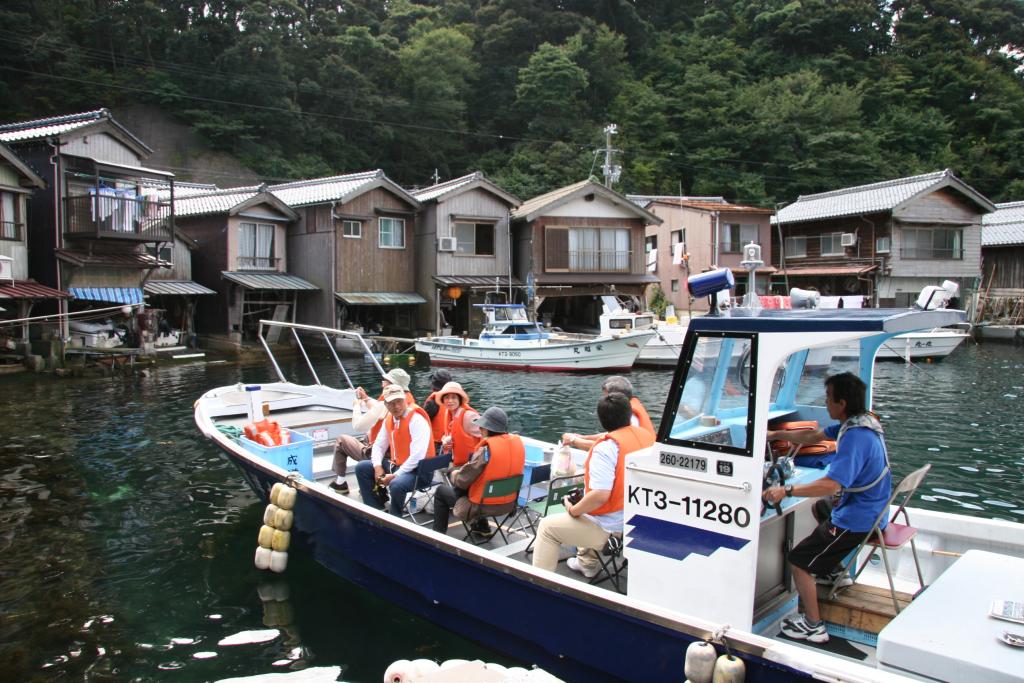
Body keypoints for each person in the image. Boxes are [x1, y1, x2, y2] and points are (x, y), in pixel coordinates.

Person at [763, 372, 891, 644]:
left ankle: (813, 626)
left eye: (828, 398)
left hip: (859, 519)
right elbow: (815, 435)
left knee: (798, 561)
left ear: (841, 403)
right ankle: (832, 570)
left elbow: (831, 485)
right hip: (875, 508)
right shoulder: (860, 423)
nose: (826, 402)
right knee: (821, 508)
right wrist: (774, 433)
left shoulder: (855, 439)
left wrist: (785, 490)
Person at [533, 393, 655, 577]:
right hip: (637, 520)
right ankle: (587, 562)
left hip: (612, 528)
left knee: (547, 528)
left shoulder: (606, 448)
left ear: (601, 419)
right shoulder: (646, 437)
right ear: (629, 414)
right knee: (584, 506)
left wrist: (573, 510)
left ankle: (540, 583)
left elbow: (599, 496)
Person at [431, 407, 525, 537]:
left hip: (482, 506)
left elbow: (462, 481)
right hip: (509, 504)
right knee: (483, 485)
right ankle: (481, 526)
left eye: (482, 427)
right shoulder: (517, 444)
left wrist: (453, 473)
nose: (480, 430)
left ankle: (437, 536)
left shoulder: (486, 451)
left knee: (442, 491)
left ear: (487, 429)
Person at [329, 368, 414, 494]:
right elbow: (378, 409)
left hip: (384, 456)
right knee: (368, 436)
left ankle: (340, 483)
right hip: (399, 455)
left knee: (342, 440)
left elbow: (358, 425)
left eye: (385, 381)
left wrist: (356, 406)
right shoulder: (407, 403)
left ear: (392, 385)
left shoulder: (385, 405)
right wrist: (366, 398)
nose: (382, 383)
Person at [354, 384, 432, 516]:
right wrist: (377, 466)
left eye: (399, 401)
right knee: (362, 468)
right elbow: (378, 446)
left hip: (419, 471)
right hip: (396, 466)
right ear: (385, 404)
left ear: (405, 400)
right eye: (392, 403)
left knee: (396, 484)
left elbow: (417, 457)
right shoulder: (389, 420)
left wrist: (395, 475)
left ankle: (395, 519)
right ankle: (375, 510)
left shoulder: (417, 420)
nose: (397, 406)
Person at [561, 375, 655, 451]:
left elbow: (610, 448)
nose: (604, 400)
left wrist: (573, 440)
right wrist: (585, 437)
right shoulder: (628, 409)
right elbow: (615, 435)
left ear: (615, 396)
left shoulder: (632, 417)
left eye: (606, 396)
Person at [437, 381, 482, 467]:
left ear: (460, 399)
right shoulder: (449, 413)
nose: (450, 401)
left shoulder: (469, 416)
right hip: (456, 462)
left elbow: (486, 438)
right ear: (443, 400)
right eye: (446, 397)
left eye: (454, 397)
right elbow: (450, 434)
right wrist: (445, 442)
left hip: (471, 465)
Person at [421, 369, 453, 455]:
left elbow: (422, 424)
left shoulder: (433, 403)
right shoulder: (455, 401)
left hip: (436, 444)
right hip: (449, 442)